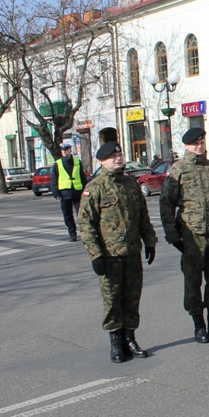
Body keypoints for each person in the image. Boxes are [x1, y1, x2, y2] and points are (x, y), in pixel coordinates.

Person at [78, 142, 157, 363]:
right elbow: (86, 225)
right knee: (113, 299)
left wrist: (150, 242)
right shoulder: (95, 188)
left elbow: (143, 217)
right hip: (110, 256)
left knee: (132, 298)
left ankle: (130, 339)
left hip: (132, 253)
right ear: (102, 161)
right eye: (113, 156)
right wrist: (96, 255)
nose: (118, 158)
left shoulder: (131, 185)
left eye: (119, 154)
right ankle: (115, 343)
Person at [160, 127, 209, 344]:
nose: (199, 147)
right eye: (195, 144)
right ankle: (199, 325)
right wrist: (173, 236)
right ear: (186, 146)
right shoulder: (179, 171)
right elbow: (166, 205)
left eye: (202, 143)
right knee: (193, 283)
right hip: (193, 236)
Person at [53, 142, 85, 242]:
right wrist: (56, 193)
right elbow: (54, 180)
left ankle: (85, 233)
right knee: (67, 215)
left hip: (77, 192)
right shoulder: (57, 164)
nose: (64, 152)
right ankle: (72, 234)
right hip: (64, 193)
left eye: (66, 150)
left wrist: (86, 191)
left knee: (82, 214)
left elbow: (83, 177)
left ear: (70, 150)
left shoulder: (77, 162)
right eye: (63, 150)